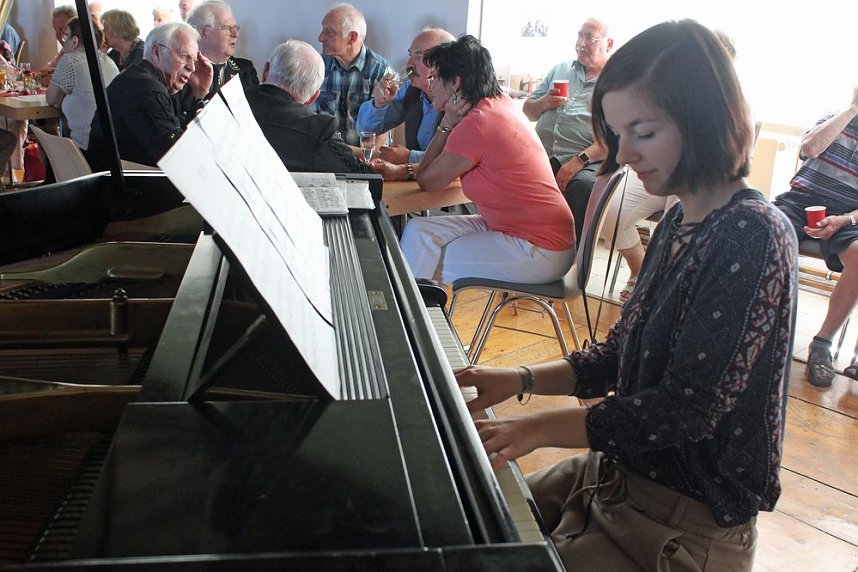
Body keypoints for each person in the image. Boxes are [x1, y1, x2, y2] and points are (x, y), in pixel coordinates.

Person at [456, 20, 797, 571]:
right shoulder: (676, 223)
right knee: (465, 522)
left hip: (683, 522)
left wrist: (538, 428)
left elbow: (686, 412)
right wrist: (518, 380)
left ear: (703, 118)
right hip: (615, 476)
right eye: (616, 135)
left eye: (642, 131)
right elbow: (618, 357)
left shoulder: (754, 234)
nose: (623, 154)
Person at [401, 35, 575, 285]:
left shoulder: (478, 124)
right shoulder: (498, 104)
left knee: (424, 258)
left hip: (539, 247)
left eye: (435, 78)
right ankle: (418, 315)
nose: (430, 86)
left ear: (455, 83)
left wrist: (446, 125)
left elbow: (427, 181)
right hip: (521, 229)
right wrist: (448, 124)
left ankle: (415, 320)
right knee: (419, 231)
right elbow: (430, 174)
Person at [600, 28, 739, 302]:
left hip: (696, 178)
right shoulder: (666, 93)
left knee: (675, 219)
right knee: (611, 210)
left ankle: (659, 287)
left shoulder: (732, 104)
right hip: (659, 171)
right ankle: (640, 271)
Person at [773, 86, 858, 386]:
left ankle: (822, 345)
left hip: (848, 214)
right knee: (766, 231)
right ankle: (761, 328)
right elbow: (809, 148)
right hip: (801, 201)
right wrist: (851, 110)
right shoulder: (832, 117)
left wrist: (845, 219)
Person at [523, 17, 612, 243]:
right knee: (507, 169)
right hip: (544, 153)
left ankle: (572, 256)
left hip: (589, 158)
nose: (581, 43)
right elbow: (529, 111)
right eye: (579, 35)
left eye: (589, 38)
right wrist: (545, 102)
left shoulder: (618, 82)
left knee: (583, 186)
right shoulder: (561, 69)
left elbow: (614, 138)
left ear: (608, 44)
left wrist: (578, 160)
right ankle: (519, 242)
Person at [87, 22, 213, 170]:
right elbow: (178, 157)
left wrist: (200, 93)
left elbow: (176, 141)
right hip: (124, 188)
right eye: (185, 56)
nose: (191, 68)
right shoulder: (146, 89)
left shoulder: (139, 78)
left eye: (195, 61)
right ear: (156, 52)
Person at [246, 40, 372, 174]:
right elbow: (364, 176)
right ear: (313, 97)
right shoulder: (318, 130)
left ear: (265, 70)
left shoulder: (227, 104)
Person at [356, 28, 455, 181]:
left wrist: (409, 158)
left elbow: (455, 161)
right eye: (410, 55)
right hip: (421, 186)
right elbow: (366, 131)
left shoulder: (460, 102)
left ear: (445, 63)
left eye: (419, 56)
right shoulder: (410, 89)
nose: (409, 64)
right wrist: (379, 103)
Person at [314, 3, 390, 147]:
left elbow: (382, 128)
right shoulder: (317, 66)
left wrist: (365, 164)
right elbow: (307, 117)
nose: (320, 37)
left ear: (352, 38)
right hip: (325, 155)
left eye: (329, 32)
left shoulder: (381, 71)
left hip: (365, 158)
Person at [46, 16, 119, 150]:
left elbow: (51, 99)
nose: (64, 41)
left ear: (74, 41)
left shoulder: (70, 60)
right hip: (113, 143)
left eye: (66, 36)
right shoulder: (109, 61)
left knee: (45, 132)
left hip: (87, 144)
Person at [185, 0, 257, 98]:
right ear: (203, 33)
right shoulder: (183, 71)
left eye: (236, 28)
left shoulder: (246, 70)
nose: (236, 34)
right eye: (227, 28)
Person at [44, 5, 77, 72]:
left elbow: (71, 69)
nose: (58, 34)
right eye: (55, 30)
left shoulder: (82, 46)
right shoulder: (66, 47)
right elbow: (48, 67)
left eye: (62, 28)